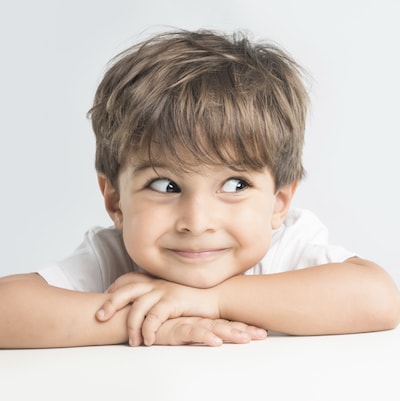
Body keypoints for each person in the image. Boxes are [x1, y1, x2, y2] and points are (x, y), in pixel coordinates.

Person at [1, 30, 399, 349]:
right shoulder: (115, 257)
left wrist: (213, 300)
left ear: (279, 202)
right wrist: (147, 316)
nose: (197, 221)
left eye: (234, 185)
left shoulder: (288, 247)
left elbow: (379, 299)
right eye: (165, 185)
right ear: (115, 201)